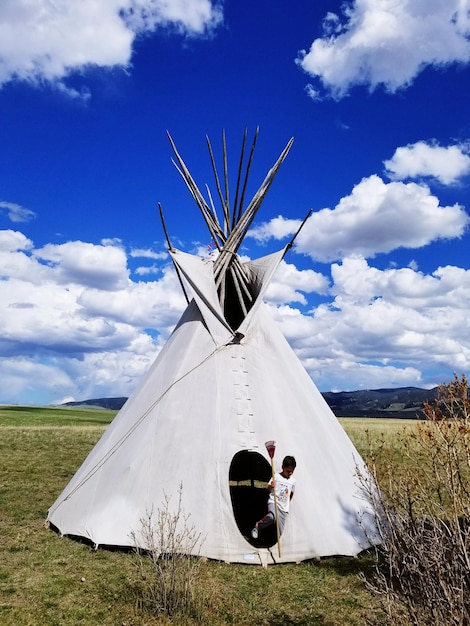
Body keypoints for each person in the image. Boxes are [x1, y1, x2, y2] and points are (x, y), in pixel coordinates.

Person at [251, 455, 296, 539]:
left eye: (292, 471)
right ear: (283, 467)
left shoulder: (293, 481)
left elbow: (291, 494)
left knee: (281, 532)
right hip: (274, 502)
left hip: (283, 508)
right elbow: (268, 488)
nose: (290, 473)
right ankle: (258, 526)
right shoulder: (276, 477)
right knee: (272, 517)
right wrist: (271, 486)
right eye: (288, 471)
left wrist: (287, 506)